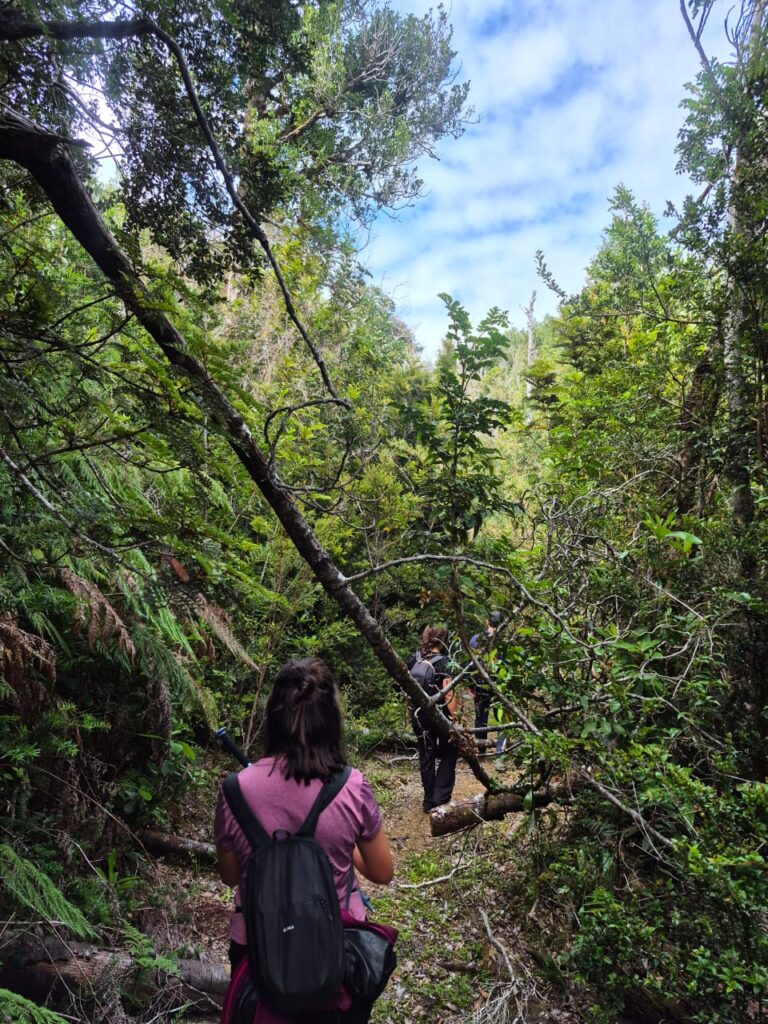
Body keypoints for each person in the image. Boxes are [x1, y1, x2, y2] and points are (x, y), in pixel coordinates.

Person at [214, 657, 394, 1020]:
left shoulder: (234, 791)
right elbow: (382, 870)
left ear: (273, 716)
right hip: (335, 951)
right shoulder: (351, 786)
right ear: (331, 718)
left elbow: (231, 876)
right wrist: (343, 849)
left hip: (257, 951)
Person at [407, 626, 458, 813]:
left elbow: (408, 688)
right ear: (443, 640)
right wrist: (455, 719)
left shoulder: (414, 659)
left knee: (426, 755)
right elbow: (449, 694)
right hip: (440, 717)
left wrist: (411, 712)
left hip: (419, 715)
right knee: (449, 753)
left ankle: (428, 800)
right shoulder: (446, 663)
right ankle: (440, 797)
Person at [469, 610, 502, 742]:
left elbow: (471, 664)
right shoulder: (505, 641)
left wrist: (471, 684)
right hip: (499, 683)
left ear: (487, 621)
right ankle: (501, 749)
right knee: (500, 716)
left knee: (480, 715)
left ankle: (481, 747)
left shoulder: (476, 639)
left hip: (480, 682)